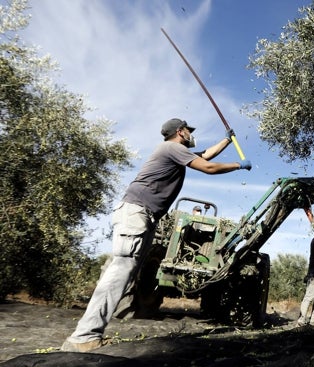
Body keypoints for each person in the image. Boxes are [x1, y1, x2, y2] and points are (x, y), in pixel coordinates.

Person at [61, 118, 251, 352]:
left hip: (145, 216)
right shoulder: (172, 148)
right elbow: (208, 168)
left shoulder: (176, 151)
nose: (192, 135)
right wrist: (238, 165)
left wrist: (226, 139)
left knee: (126, 272)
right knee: (120, 271)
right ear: (180, 132)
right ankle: (83, 337)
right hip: (136, 213)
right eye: (189, 131)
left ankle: (88, 335)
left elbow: (207, 156)